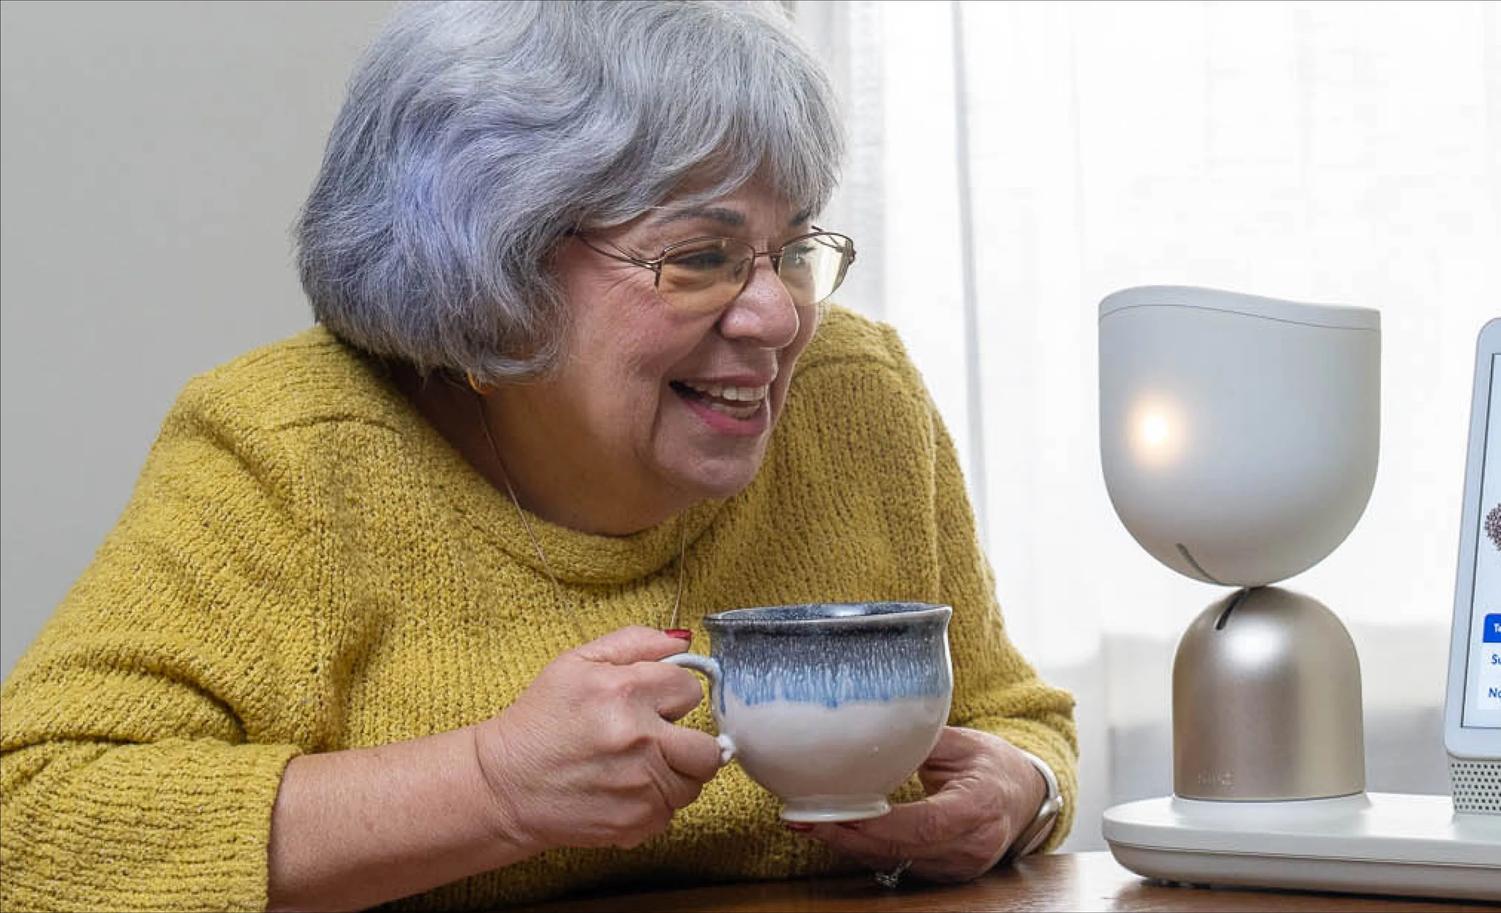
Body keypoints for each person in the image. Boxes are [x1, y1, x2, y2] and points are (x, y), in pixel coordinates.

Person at [0, 3, 1075, 911]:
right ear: (493, 269)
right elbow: (35, 820)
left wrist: (1021, 790)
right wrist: (487, 787)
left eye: (791, 249)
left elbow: (1011, 711)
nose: (776, 317)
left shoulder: (857, 396)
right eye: (701, 256)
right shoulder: (291, 450)